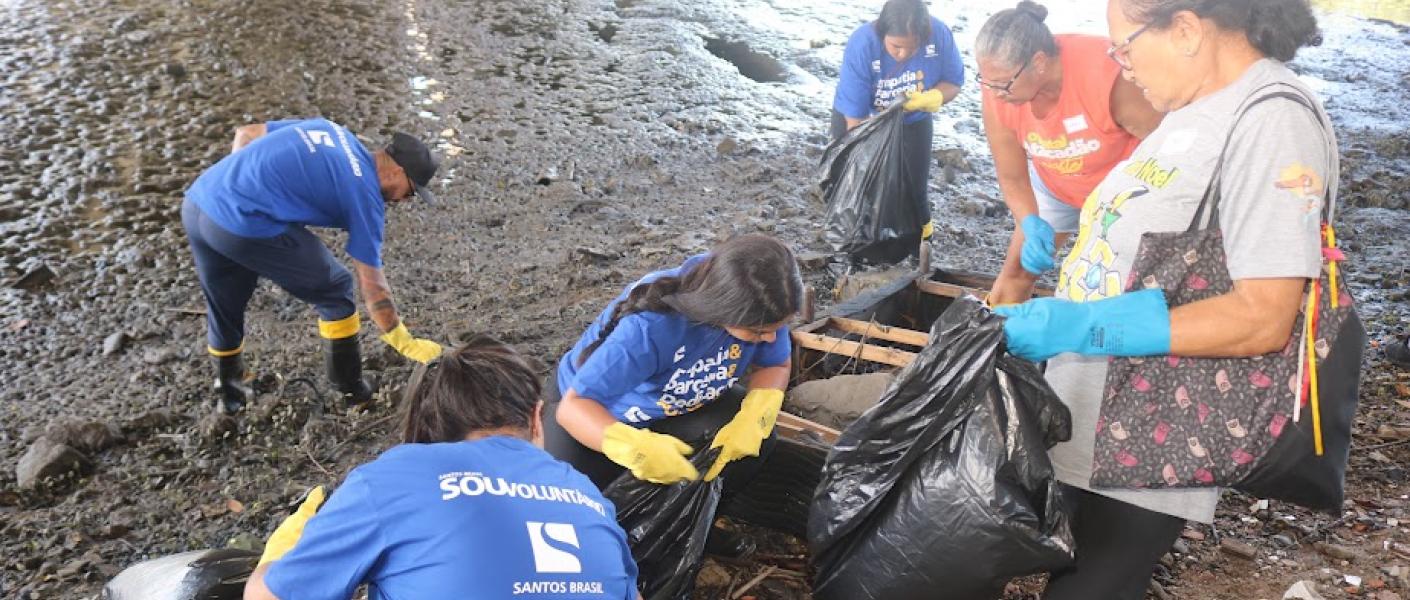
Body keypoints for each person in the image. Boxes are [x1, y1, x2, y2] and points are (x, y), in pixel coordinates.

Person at [993, 0, 1331, 597]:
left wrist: (1085, 327)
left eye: (1123, 46)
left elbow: (1264, 316)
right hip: (1095, 413)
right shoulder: (1189, 109)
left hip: (1154, 431)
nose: (1119, 65)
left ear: (1185, 30)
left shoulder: (1271, 120)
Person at [243, 336, 640, 600]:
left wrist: (279, 554)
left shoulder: (394, 478)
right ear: (537, 418)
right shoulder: (588, 495)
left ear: (432, 422)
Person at [182, 118, 444, 414]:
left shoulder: (330, 129)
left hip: (200, 201)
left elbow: (246, 132)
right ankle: (350, 390)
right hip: (239, 223)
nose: (406, 201)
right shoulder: (364, 195)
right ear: (397, 171)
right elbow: (373, 285)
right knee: (336, 287)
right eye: (410, 191)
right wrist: (403, 341)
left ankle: (229, 394)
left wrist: (235, 189)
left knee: (225, 300)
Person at [545, 234, 802, 495]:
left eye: (777, 329)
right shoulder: (650, 328)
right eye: (758, 333)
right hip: (602, 412)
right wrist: (635, 449)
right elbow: (574, 408)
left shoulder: (763, 306)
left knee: (755, 444)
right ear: (723, 311)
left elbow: (776, 365)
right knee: (569, 494)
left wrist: (757, 413)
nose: (771, 338)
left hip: (674, 406)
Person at [976, 1, 1165, 305]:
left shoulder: (1107, 78)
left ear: (1038, 62)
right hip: (1054, 186)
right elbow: (1012, 177)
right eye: (986, 82)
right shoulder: (996, 91)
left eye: (1002, 84)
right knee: (1015, 273)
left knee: (1114, 282)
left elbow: (1166, 149)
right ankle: (997, 344)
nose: (995, 93)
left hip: (1117, 191)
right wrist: (1028, 221)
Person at [831, 0, 965, 256]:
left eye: (912, 48)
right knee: (855, 184)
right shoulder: (862, 44)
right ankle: (853, 248)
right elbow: (854, 121)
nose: (903, 54)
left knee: (915, 189)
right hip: (865, 120)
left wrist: (933, 97)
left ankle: (920, 246)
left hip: (913, 120)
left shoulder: (939, 35)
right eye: (896, 46)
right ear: (882, 33)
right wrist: (867, 161)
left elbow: (953, 82)